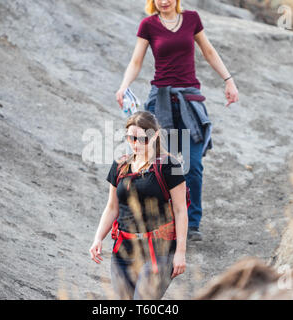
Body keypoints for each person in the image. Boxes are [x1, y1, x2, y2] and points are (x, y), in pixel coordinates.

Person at [115, 0, 239, 241]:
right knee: (163, 165)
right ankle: (163, 221)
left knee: (193, 164)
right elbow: (136, 61)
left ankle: (192, 224)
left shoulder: (192, 19)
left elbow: (209, 51)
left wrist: (229, 80)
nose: (164, 1)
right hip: (160, 101)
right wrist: (123, 86)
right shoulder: (148, 25)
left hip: (189, 101)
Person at [89, 111, 188, 299]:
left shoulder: (169, 166)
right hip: (124, 250)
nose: (135, 144)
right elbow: (112, 207)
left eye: (141, 139)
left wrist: (181, 253)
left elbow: (180, 210)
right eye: (131, 138)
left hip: (159, 250)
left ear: (155, 136)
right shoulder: (120, 165)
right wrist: (98, 238)